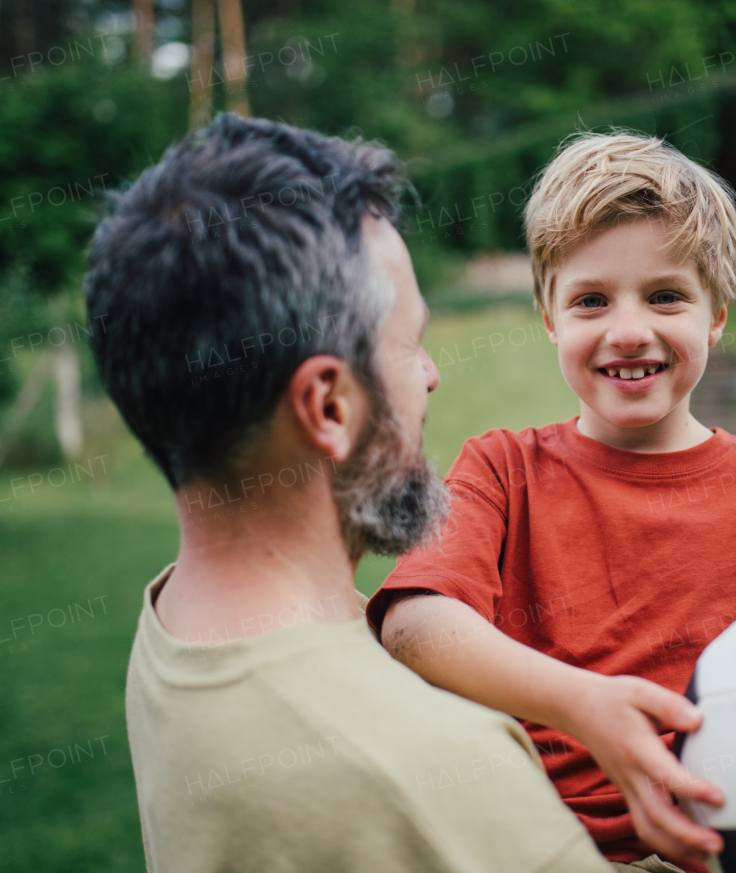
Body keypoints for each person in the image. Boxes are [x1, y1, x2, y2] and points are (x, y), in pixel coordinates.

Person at [83, 115, 611, 873]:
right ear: (329, 407)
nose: (430, 374)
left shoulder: (177, 627)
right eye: (410, 344)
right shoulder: (438, 774)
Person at [369, 133, 736, 873]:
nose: (630, 330)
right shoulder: (503, 470)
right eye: (591, 300)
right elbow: (414, 625)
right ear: (550, 318)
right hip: (539, 851)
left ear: (717, 314)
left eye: (666, 295)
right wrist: (585, 705)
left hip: (728, 850)